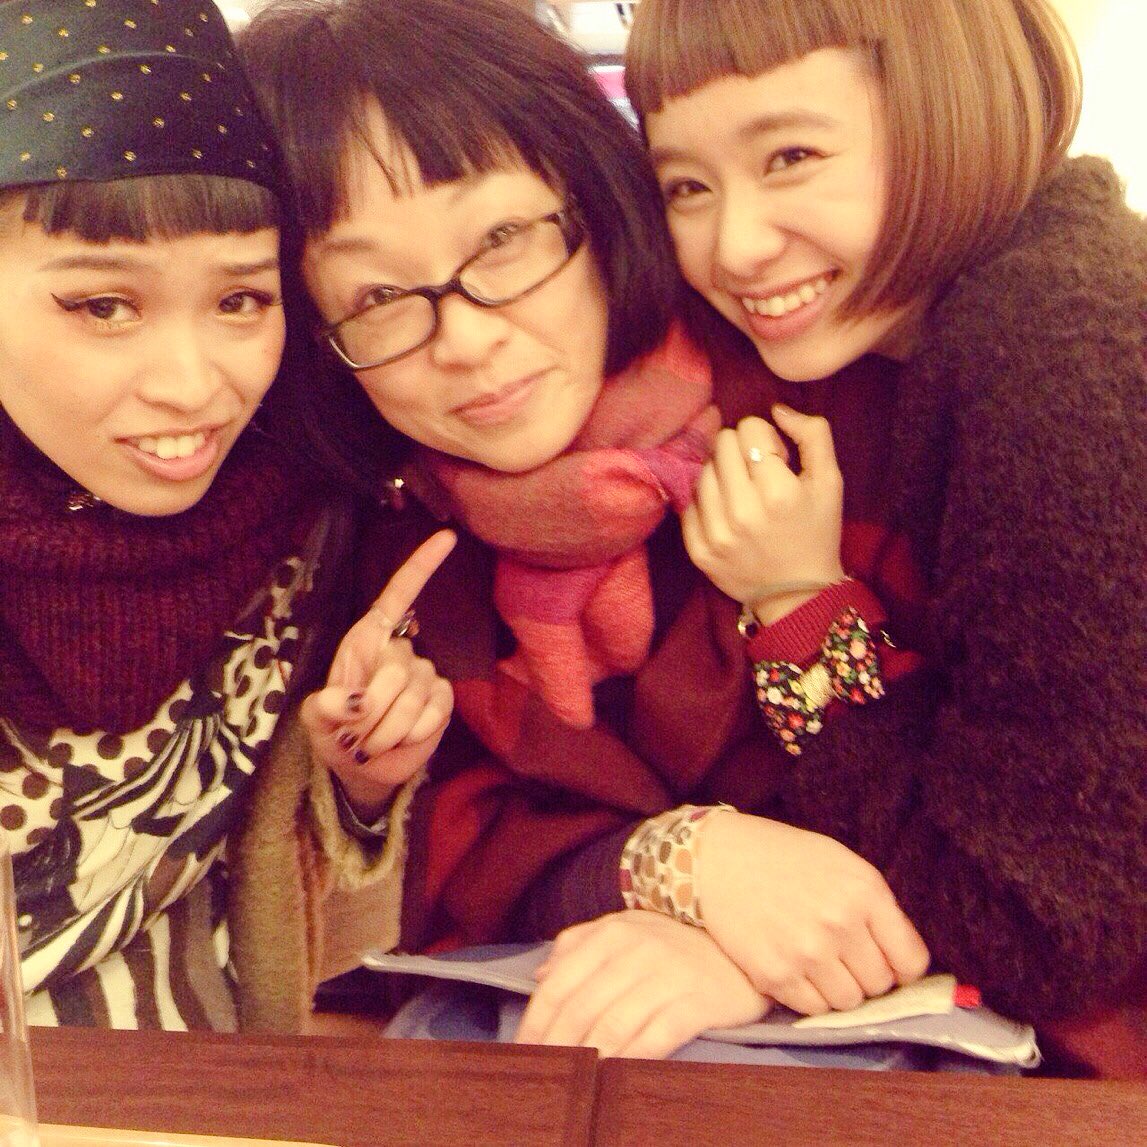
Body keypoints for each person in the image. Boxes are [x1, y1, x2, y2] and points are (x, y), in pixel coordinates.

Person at [239, 0, 941, 1064]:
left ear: (600, 205)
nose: (465, 340)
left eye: (501, 241)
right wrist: (674, 866)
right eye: (376, 294)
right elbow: (465, 856)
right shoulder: (400, 539)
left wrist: (802, 606)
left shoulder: (844, 415)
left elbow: (1022, 836)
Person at [614, 0, 1146, 1076]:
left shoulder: (1057, 358)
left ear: (952, 107)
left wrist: (795, 605)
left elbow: (1029, 923)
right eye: (687, 186)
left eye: (791, 156)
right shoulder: (988, 309)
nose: (735, 245)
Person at [0, 0, 452, 1033]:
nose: (194, 383)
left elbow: (300, 909)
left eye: (240, 300)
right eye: (104, 306)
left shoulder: (303, 524)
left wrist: (359, 779)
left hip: (219, 1087)